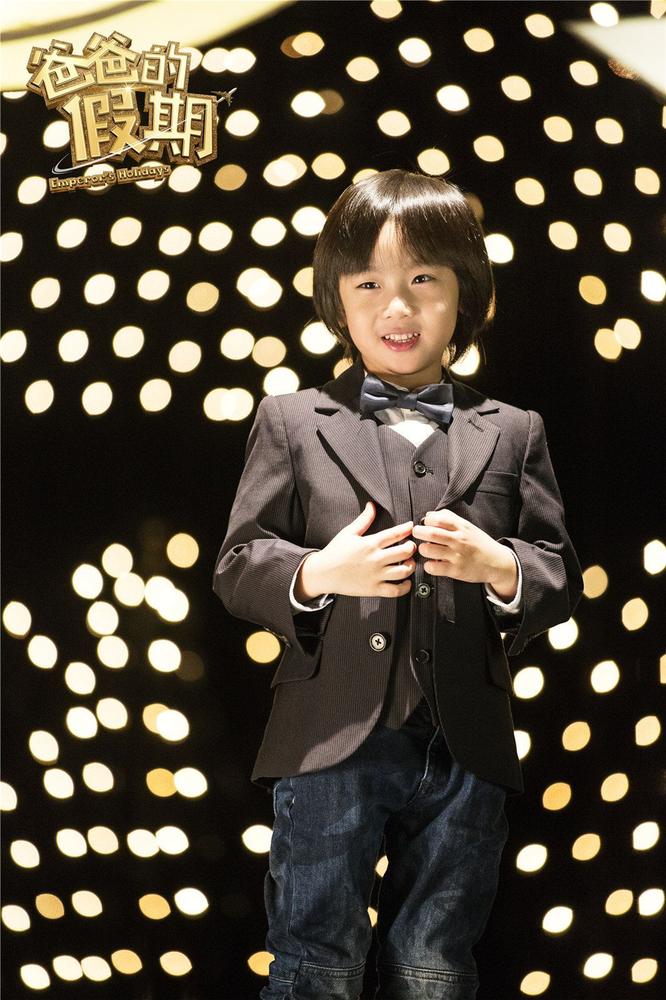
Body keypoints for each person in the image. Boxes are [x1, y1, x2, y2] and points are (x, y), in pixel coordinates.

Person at [212, 168, 584, 1000]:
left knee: (436, 964)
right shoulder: (292, 419)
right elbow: (238, 562)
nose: (397, 307)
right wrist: (319, 572)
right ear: (337, 301)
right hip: (328, 735)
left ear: (466, 294)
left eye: (423, 280)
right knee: (315, 958)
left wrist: (499, 566)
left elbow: (558, 572)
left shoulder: (513, 429)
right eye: (369, 284)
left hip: (466, 741)